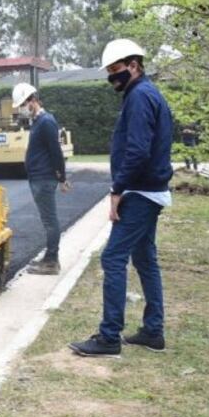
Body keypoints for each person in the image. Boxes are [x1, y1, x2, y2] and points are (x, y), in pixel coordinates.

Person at [70, 39, 173, 358]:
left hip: (140, 191)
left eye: (116, 69)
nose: (112, 77)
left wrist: (117, 191)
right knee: (144, 258)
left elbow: (138, 151)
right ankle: (153, 331)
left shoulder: (140, 97)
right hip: (151, 189)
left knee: (113, 257)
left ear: (134, 65)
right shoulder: (147, 93)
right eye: (109, 71)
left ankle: (109, 336)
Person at [12, 82, 70, 275]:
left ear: (33, 100)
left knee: (50, 221)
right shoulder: (37, 122)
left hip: (44, 179)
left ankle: (52, 262)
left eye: (22, 104)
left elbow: (56, 152)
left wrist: (62, 177)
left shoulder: (46, 122)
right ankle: (49, 258)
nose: (21, 109)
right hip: (38, 177)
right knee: (48, 220)